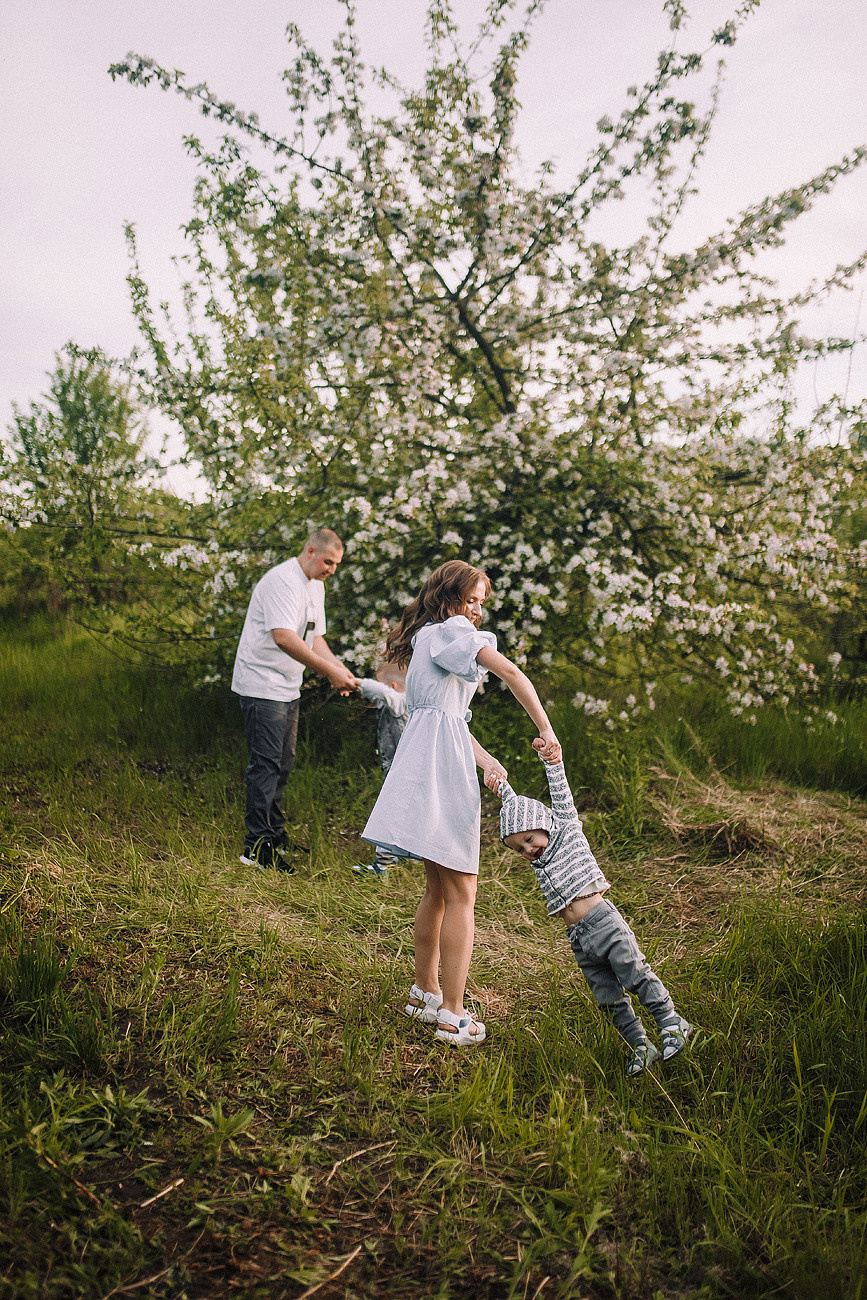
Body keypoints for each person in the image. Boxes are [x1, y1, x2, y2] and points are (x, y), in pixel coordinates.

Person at [361, 560, 560, 1047]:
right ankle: (452, 1012)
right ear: (449, 597)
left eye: (480, 603)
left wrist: (487, 760)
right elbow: (510, 671)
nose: (476, 611)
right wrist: (545, 728)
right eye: (471, 600)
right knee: (463, 894)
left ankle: (424, 992)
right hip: (439, 772)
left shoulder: (428, 637)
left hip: (427, 760)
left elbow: (446, 718)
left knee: (439, 889)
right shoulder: (455, 632)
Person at [490, 746, 694, 1076]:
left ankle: (672, 1022)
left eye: (529, 839)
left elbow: (560, 794)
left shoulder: (567, 830)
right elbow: (516, 812)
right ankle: (640, 1045)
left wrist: (552, 761)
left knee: (634, 974)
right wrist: (501, 785)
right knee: (607, 996)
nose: (528, 850)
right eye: (519, 849)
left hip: (603, 923)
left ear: (544, 823)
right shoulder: (538, 860)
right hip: (578, 938)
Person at [231, 528, 357, 872]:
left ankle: (272, 834)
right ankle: (256, 850)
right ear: (311, 550)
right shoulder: (282, 581)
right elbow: (284, 638)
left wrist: (340, 669)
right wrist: (326, 673)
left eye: (336, 564)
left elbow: (315, 638)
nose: (332, 569)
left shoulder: (316, 586)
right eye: (328, 561)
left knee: (283, 762)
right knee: (266, 765)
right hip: (261, 684)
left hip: (287, 686)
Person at [350, 661, 417, 878]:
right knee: (403, 815)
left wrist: (358, 683)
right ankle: (406, 855)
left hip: (401, 773)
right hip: (400, 771)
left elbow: (382, 693)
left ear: (394, 687)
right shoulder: (404, 702)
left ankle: (385, 864)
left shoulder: (401, 702)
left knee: (389, 815)